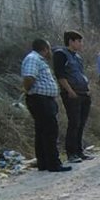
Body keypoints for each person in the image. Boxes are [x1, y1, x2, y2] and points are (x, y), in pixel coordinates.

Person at [21, 38, 70, 172]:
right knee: (50, 132)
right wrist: (29, 91)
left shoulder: (39, 60)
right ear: (44, 48)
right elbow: (29, 77)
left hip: (43, 99)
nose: (50, 52)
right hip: (40, 100)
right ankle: (53, 163)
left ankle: (43, 163)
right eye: (49, 49)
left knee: (42, 131)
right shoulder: (33, 59)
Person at [52, 30, 93, 162]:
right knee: (74, 123)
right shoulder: (61, 54)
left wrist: (87, 89)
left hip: (83, 93)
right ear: (71, 41)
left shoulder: (77, 57)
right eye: (79, 41)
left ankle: (79, 151)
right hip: (72, 94)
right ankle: (71, 153)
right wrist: (69, 90)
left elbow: (81, 74)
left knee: (81, 123)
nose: (81, 44)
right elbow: (60, 75)